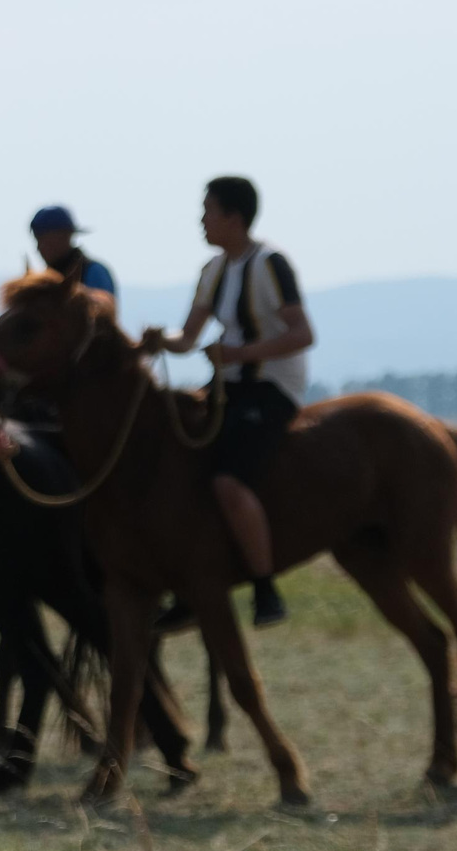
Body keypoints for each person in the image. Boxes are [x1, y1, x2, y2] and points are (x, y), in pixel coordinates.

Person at [138, 175, 312, 630]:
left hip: (272, 387)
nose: (201, 221)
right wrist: (161, 340)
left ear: (233, 218)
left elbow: (302, 334)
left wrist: (239, 354)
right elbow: (188, 337)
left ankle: (263, 585)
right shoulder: (213, 271)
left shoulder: (271, 264)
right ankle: (190, 585)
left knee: (229, 482)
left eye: (208, 211)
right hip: (229, 384)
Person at [29, 204, 116, 318]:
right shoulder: (44, 278)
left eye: (44, 240)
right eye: (37, 240)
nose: (39, 248)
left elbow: (104, 313)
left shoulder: (93, 271)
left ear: (65, 236)